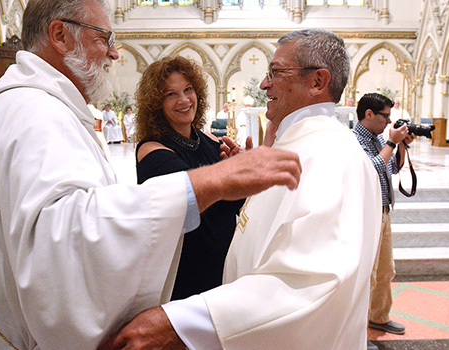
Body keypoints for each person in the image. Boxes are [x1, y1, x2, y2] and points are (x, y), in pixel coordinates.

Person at [0, 1, 302, 349]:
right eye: (103, 38)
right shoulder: (33, 113)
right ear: (60, 35)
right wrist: (215, 180)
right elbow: (66, 238)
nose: (113, 52)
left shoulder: (37, 108)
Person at [103, 29, 382, 350]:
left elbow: (308, 284)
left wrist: (180, 323)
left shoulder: (328, 155)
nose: (263, 84)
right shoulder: (302, 145)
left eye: (275, 72)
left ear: (317, 82)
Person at [134, 56, 245, 301]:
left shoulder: (211, 142)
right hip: (186, 272)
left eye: (188, 89)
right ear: (156, 103)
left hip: (224, 267)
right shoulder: (151, 150)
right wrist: (236, 173)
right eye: (170, 94)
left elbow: (236, 203)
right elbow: (190, 203)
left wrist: (237, 172)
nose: (184, 100)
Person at [353, 92, 416, 337]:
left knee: (385, 270)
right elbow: (371, 169)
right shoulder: (354, 139)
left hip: (383, 210)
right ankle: (356, 331)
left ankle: (378, 317)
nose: (389, 122)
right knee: (366, 273)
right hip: (366, 213)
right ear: (369, 114)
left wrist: (400, 144)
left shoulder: (379, 138)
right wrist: (391, 142)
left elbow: (390, 168)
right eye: (385, 116)